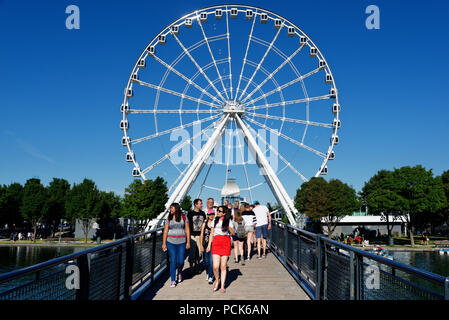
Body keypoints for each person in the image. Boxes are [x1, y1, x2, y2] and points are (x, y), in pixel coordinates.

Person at [206, 206, 235, 293]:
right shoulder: (214, 221)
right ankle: (217, 280)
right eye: (217, 210)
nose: (217, 212)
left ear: (224, 213)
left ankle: (222, 285)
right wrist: (208, 245)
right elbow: (211, 233)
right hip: (216, 242)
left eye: (219, 211)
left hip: (225, 242)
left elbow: (233, 233)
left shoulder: (228, 221)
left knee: (223, 266)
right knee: (215, 266)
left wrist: (228, 226)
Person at [162, 203, 191, 288]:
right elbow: (165, 231)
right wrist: (164, 243)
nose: (170, 209)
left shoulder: (184, 217)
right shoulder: (169, 218)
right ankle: (173, 280)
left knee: (181, 261)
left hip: (182, 242)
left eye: (172, 208)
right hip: (170, 242)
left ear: (176, 208)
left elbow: (187, 230)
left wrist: (188, 242)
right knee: (173, 260)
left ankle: (180, 272)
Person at [187, 198, 206, 274]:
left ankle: (196, 266)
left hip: (200, 236)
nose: (202, 205)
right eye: (200, 203)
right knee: (192, 253)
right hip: (192, 236)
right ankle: (191, 267)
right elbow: (187, 225)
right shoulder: (190, 213)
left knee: (199, 253)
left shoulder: (203, 213)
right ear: (195, 204)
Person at [200, 208, 215, 284]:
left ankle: (211, 276)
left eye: (213, 214)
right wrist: (201, 245)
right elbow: (202, 235)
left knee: (211, 261)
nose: (211, 215)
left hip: (214, 244)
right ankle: (208, 272)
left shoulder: (216, 223)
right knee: (206, 261)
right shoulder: (204, 224)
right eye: (210, 214)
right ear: (208, 215)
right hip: (205, 244)